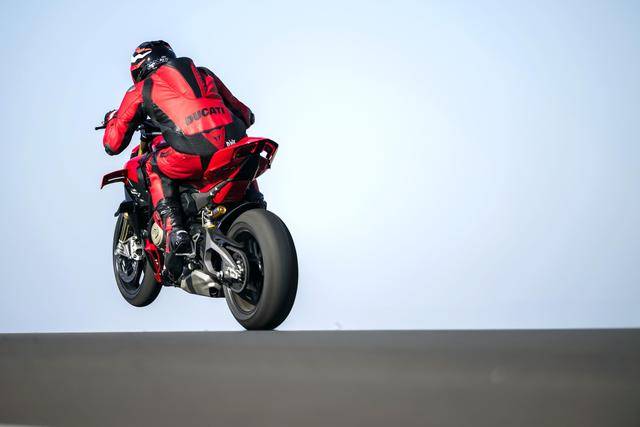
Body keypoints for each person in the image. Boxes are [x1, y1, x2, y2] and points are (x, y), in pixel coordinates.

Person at [102, 40, 255, 281]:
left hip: (192, 153)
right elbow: (245, 114)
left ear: (139, 67)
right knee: (242, 157)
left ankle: (176, 231)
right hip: (233, 144)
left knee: (150, 166)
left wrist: (113, 119)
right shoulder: (203, 73)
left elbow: (112, 143)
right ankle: (255, 204)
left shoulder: (141, 88)